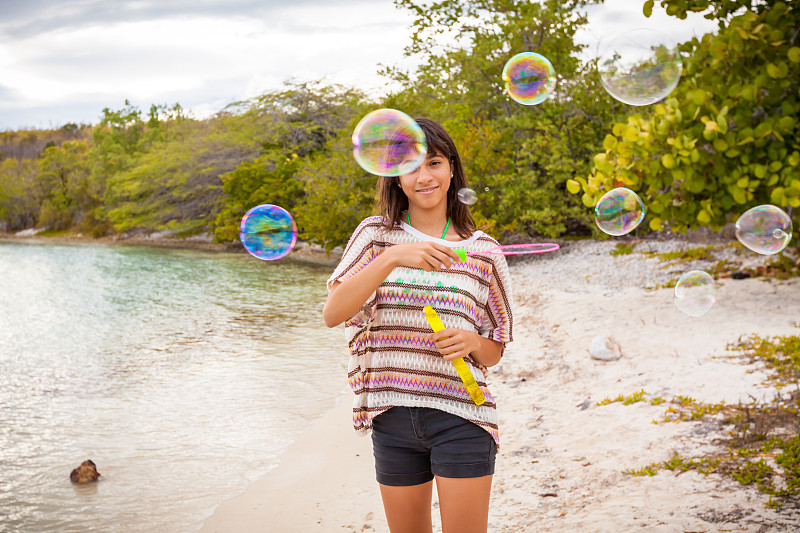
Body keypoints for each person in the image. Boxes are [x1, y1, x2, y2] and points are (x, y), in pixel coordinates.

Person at [323, 117, 513, 533]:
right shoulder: (375, 236)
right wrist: (392, 258)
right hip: (392, 418)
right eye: (411, 166)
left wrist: (470, 341)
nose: (423, 176)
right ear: (395, 178)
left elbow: (495, 349)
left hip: (462, 416)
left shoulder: (484, 252)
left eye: (435, 163)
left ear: (451, 169)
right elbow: (333, 312)